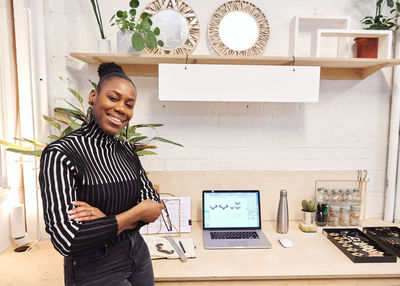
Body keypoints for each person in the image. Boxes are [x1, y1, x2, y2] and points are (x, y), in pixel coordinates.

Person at [39, 62, 165, 286]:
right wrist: (134, 214)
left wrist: (106, 220)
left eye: (129, 104)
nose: (121, 109)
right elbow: (66, 239)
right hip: (95, 268)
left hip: (138, 255)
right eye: (113, 98)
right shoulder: (60, 154)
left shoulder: (127, 151)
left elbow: (153, 206)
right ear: (93, 96)